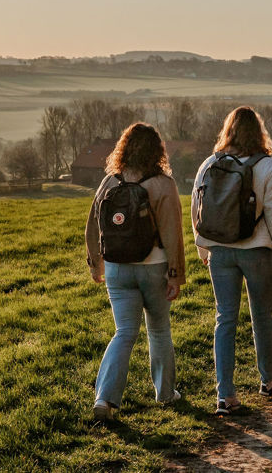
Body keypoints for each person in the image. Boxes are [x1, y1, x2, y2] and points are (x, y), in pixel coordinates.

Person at [191, 106, 272, 416]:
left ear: (228, 131)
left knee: (225, 319)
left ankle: (225, 395)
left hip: (220, 251)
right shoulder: (268, 167)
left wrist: (203, 249)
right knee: (262, 316)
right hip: (257, 252)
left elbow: (197, 210)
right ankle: (268, 378)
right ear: (259, 132)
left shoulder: (210, 163)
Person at [85, 122, 186, 420]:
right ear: (157, 151)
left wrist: (96, 263)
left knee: (124, 332)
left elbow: (92, 225)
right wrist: (175, 275)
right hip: (153, 268)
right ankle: (165, 393)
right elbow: (172, 234)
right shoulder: (163, 184)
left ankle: (105, 399)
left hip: (117, 269)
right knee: (159, 329)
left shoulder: (109, 181)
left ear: (123, 148)